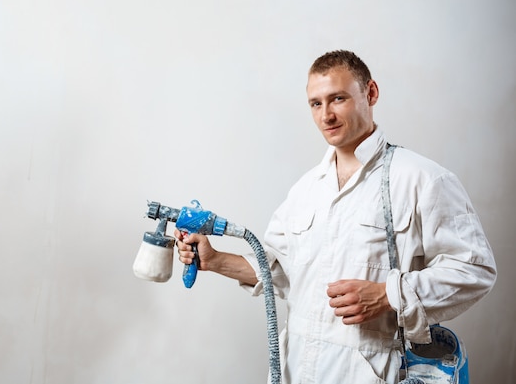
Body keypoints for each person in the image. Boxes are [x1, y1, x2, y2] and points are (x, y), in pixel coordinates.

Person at [175, 50, 497, 384]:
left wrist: (389, 294)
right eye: (316, 103)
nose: (326, 115)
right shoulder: (305, 190)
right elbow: (281, 271)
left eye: (338, 98)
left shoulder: (421, 179)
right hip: (296, 369)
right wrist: (214, 259)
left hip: (372, 373)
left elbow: (475, 269)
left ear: (370, 93)